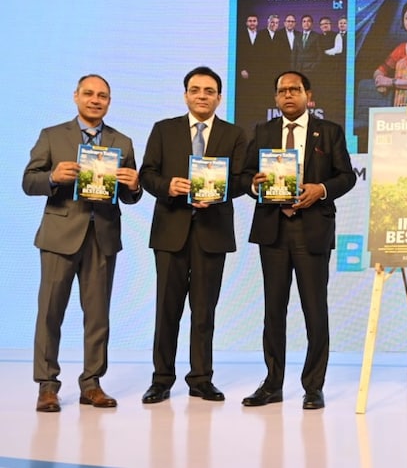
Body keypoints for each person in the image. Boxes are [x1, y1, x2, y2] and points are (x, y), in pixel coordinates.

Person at [23, 74, 142, 412]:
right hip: (60, 236)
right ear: (76, 96)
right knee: (50, 313)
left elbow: (130, 196)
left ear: (109, 101)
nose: (95, 99)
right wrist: (51, 178)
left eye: (102, 95)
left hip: (102, 237)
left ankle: (92, 383)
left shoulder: (123, 141)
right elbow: (28, 181)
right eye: (88, 93)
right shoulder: (52, 136)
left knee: (98, 315)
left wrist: (134, 186)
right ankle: (47, 386)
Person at [240, 70, 356, 410]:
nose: (288, 95)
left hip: (312, 229)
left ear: (308, 95)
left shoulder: (329, 131)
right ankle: (272, 384)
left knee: (314, 310)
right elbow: (245, 175)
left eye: (295, 89)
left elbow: (347, 176)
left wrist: (321, 189)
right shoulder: (263, 131)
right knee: (273, 311)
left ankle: (313, 386)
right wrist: (254, 184)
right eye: (282, 91)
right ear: (275, 98)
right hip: (273, 230)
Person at [138, 66, 248, 404]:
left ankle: (201, 378)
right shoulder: (164, 130)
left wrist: (220, 190)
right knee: (166, 310)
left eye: (209, 91)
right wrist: (168, 187)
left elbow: (244, 179)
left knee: (204, 312)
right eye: (196, 90)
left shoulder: (234, 134)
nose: (202, 96)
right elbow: (147, 174)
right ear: (186, 94)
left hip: (212, 231)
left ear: (218, 97)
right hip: (171, 230)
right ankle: (161, 379)